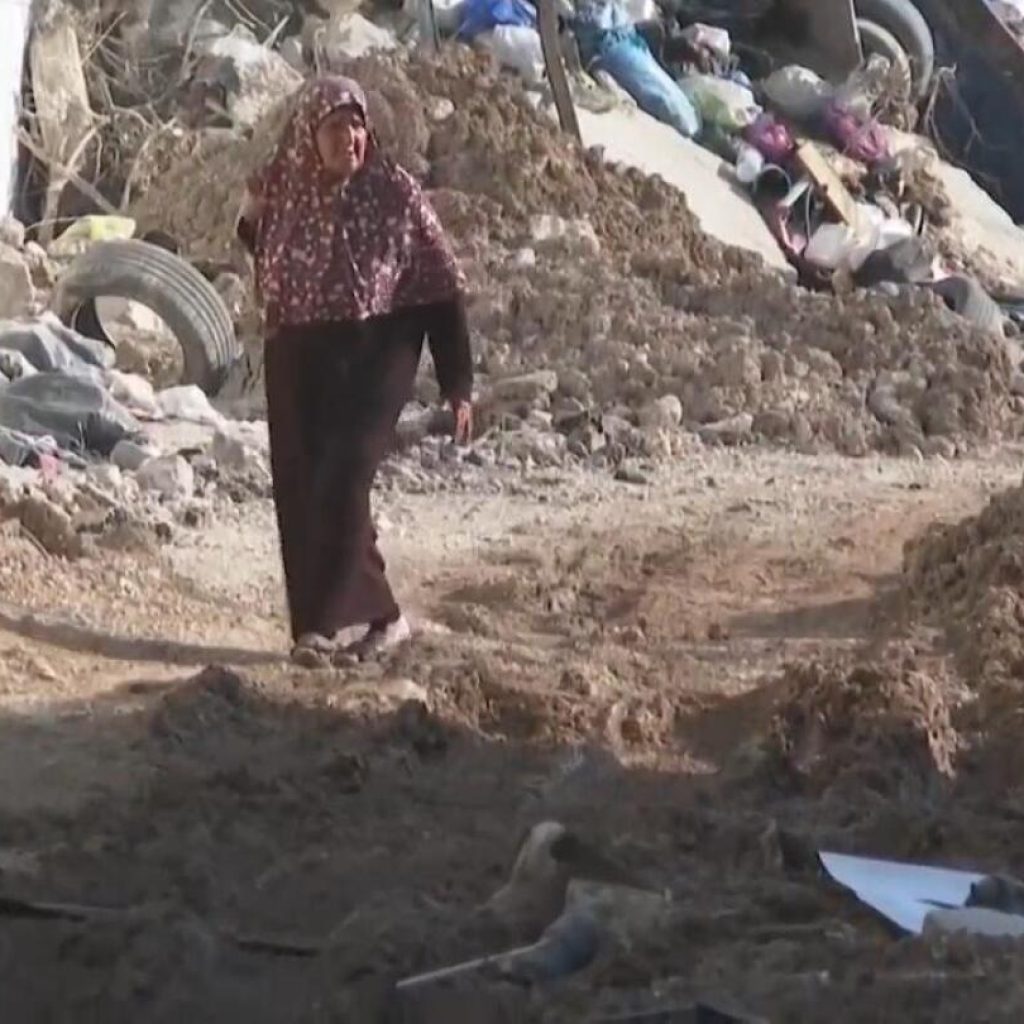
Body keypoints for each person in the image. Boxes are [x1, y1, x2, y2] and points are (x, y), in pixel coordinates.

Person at [237, 75, 473, 667]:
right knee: (302, 485)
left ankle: (385, 617)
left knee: (344, 477)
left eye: (358, 125)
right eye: (336, 127)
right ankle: (313, 627)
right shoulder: (284, 191)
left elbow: (440, 289)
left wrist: (457, 384)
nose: (351, 138)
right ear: (307, 137)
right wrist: (249, 219)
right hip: (298, 351)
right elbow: (263, 254)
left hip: (381, 347)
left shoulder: (395, 193)